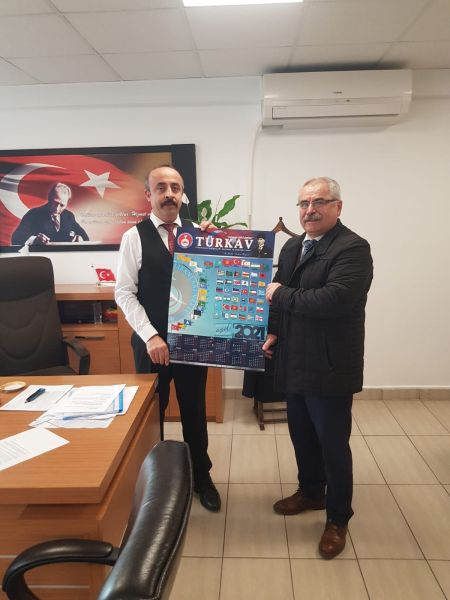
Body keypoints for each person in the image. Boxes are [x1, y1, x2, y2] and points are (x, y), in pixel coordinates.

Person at [262, 177, 373, 559]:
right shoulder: (293, 246)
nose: (310, 210)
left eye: (319, 202)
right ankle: (311, 492)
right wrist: (273, 332)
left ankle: (338, 518)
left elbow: (335, 300)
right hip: (294, 360)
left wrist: (281, 294)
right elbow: (277, 300)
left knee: (332, 445)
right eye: (304, 203)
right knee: (302, 435)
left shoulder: (353, 248)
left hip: (330, 365)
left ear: (338, 206)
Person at [115, 165, 221, 512]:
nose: (169, 194)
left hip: (192, 343)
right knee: (152, 418)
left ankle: (201, 476)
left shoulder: (197, 234)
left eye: (175, 187)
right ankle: (155, 484)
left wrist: (218, 244)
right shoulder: (134, 237)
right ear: (149, 195)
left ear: (182, 195)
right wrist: (151, 336)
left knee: (195, 412)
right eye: (161, 187)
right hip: (152, 345)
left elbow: (217, 281)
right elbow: (124, 293)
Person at [11, 182, 89, 246]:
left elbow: (85, 238)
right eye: (55, 203)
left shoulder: (69, 216)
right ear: (49, 198)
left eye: (62, 205)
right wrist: (34, 240)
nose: (57, 208)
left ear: (67, 203)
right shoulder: (33, 214)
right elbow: (16, 238)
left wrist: (80, 239)